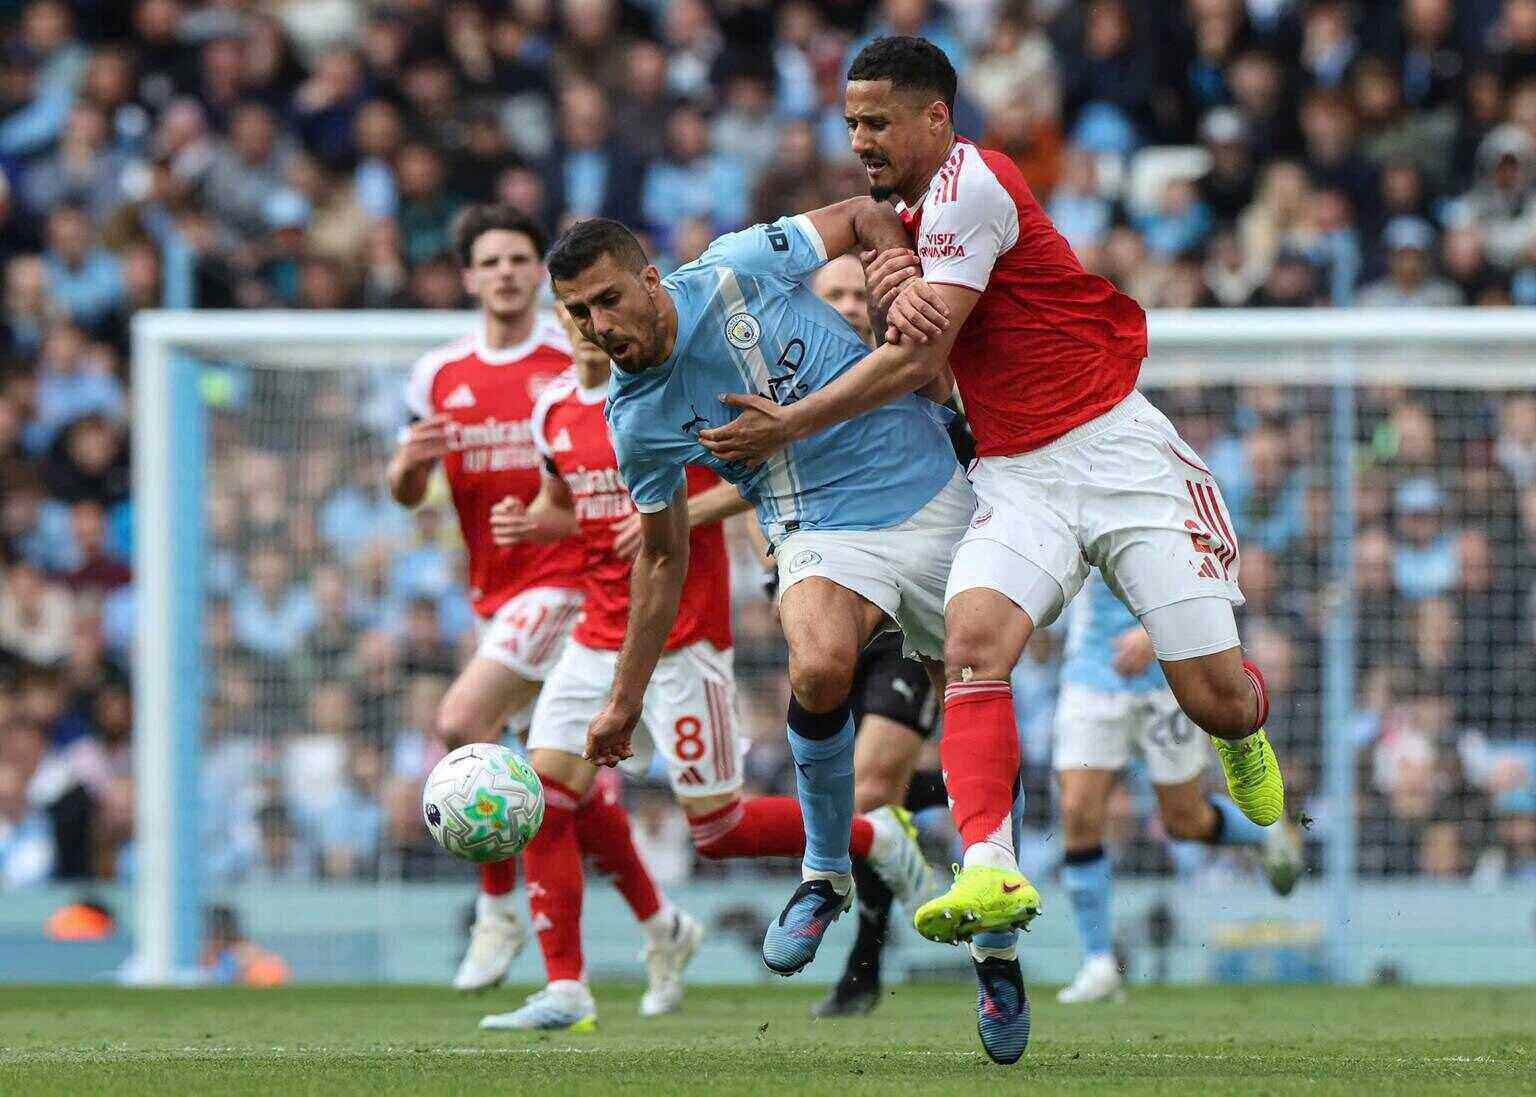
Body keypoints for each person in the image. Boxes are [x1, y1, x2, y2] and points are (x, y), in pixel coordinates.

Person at [698, 36, 1286, 1065]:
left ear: (936, 119)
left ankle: (1244, 727)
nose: (861, 140)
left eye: (878, 122)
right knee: (973, 641)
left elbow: (921, 358)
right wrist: (886, 257)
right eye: (850, 123)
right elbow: (886, 259)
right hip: (1016, 468)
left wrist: (793, 419)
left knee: (1213, 697)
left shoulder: (975, 183)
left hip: (1117, 451)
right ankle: (990, 869)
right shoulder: (912, 213)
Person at [477, 308, 932, 1032]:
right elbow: (566, 506)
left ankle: (873, 836)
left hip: (684, 643)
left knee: (717, 831)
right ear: (559, 322)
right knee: (547, 803)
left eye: (598, 310)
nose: (586, 326)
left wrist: (680, 513)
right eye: (571, 312)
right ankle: (567, 986)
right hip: (597, 640)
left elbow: (755, 481)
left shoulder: (676, 392)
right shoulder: (551, 409)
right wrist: (534, 523)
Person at [544, 198, 960, 982]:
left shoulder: (739, 265)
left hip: (926, 484)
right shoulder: (633, 421)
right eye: (578, 312)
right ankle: (823, 874)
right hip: (814, 528)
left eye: (608, 299)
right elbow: (662, 559)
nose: (598, 325)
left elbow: (870, 216)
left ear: (651, 279)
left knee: (975, 681)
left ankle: (995, 924)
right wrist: (623, 699)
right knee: (818, 666)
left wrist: (897, 286)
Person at [386, 204, 662, 994]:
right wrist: (409, 465)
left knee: (460, 724)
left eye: (519, 258)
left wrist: (555, 521)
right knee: (562, 783)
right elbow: (408, 491)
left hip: (572, 585)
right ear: (469, 276)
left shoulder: (572, 355)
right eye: (491, 260)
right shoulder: (438, 373)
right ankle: (660, 923)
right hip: (493, 592)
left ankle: (496, 910)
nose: (506, 271)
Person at [808, 254, 952, 1019]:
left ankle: (863, 962)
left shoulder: (915, 381)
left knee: (867, 791)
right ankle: (951, 792)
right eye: (829, 293)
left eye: (857, 294)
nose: (844, 306)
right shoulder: (793, 394)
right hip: (828, 620)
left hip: (902, 623)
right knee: (872, 799)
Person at [1053, 576, 1303, 1004]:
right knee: (1078, 810)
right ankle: (1099, 963)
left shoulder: (1179, 509)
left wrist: (1156, 635)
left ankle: (1265, 834)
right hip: (1093, 675)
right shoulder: (1073, 509)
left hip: (1170, 680)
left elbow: (1215, 578)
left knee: (1184, 821)